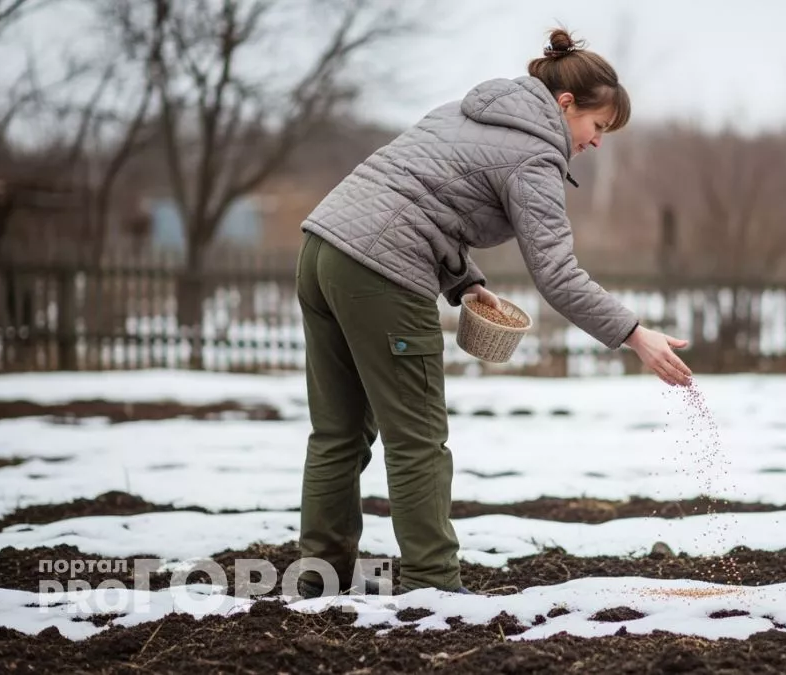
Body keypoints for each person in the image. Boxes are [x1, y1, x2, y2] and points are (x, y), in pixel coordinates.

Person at [293, 27, 693, 598]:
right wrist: (634, 334)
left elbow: (420, 201)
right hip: (381, 272)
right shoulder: (535, 155)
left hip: (321, 251)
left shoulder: (467, 112)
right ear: (565, 104)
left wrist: (465, 283)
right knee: (417, 438)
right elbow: (556, 274)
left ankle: (318, 580)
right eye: (598, 126)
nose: (597, 142)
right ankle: (433, 586)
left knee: (338, 432)